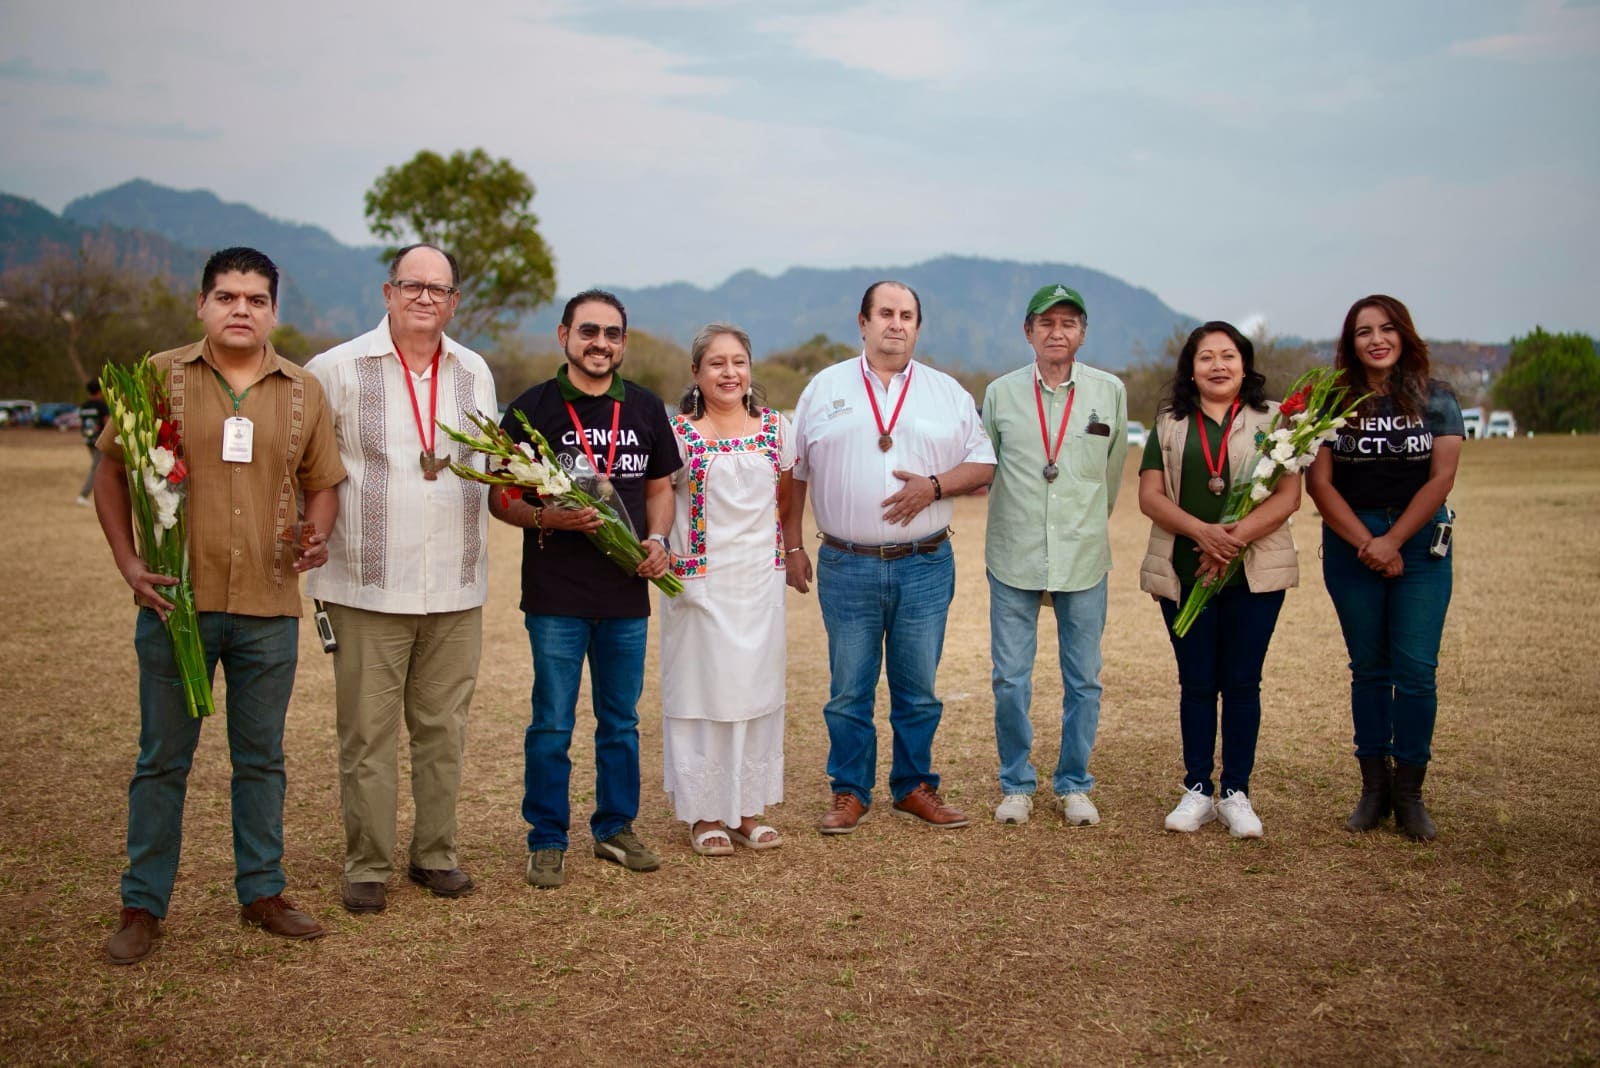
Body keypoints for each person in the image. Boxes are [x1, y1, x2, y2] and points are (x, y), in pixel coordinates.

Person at [93, 247, 345, 964]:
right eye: (228, 296)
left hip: (269, 606)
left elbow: (323, 480)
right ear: (202, 304)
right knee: (162, 761)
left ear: (274, 310)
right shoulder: (157, 378)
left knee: (261, 759)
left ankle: (262, 891)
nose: (242, 309)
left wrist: (316, 534)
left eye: (256, 299)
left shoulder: (303, 391)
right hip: (178, 606)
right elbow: (112, 471)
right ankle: (142, 904)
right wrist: (129, 561)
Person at [304, 244, 498, 914]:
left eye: (438, 289)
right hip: (365, 582)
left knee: (444, 728)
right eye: (412, 285)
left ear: (453, 301)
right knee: (366, 732)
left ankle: (436, 853)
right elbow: (306, 469)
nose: (425, 298)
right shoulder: (334, 369)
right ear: (388, 292)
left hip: (455, 582)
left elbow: (491, 467)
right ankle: (367, 863)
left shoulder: (476, 372)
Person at [788, 280, 995, 835]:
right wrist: (790, 544)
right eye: (885, 313)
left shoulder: (945, 392)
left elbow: (983, 465)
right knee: (849, 688)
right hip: (846, 561)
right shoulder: (823, 388)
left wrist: (933, 485)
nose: (895, 324)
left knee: (918, 687)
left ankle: (914, 787)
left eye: (906, 315)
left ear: (918, 327)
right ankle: (849, 792)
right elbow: (794, 472)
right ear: (862, 322)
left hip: (923, 562)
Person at [491, 289, 680, 888]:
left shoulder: (647, 408)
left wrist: (657, 541)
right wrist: (550, 519)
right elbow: (500, 496)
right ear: (564, 336)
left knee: (620, 720)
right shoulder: (529, 410)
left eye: (613, 333)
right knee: (551, 722)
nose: (601, 343)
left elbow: (659, 489)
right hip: (555, 595)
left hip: (626, 594)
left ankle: (614, 829)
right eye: (589, 331)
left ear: (624, 341)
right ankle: (547, 837)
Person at [1307, 295, 1462, 841]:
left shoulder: (1437, 398)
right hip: (1352, 540)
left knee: (1417, 672)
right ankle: (1374, 789)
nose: (1376, 339)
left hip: (1419, 544)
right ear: (1350, 343)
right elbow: (1319, 484)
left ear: (1404, 334)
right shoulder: (1332, 401)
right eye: (1363, 331)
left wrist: (1394, 540)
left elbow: (1441, 479)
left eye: (1387, 328)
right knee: (1369, 671)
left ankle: (1410, 793)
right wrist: (1368, 542)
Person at [1137, 321, 1301, 839]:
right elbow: (1150, 496)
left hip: (1253, 575)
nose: (1218, 365)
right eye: (1205, 357)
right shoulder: (1168, 421)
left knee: (1242, 683)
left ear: (1245, 364)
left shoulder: (1276, 419)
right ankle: (1196, 790)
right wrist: (1204, 535)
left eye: (1228, 355)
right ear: (1191, 367)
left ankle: (1235, 792)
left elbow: (1288, 496)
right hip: (1184, 572)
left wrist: (1232, 542)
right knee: (1197, 683)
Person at [982, 284, 1128, 827]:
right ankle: (1016, 783)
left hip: (1083, 552)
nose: (1057, 332)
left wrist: (1084, 523)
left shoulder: (1109, 391)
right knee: (1010, 679)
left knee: (1084, 678)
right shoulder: (1000, 393)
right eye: (1045, 323)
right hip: (1013, 551)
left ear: (1082, 333)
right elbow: (987, 465)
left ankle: (1073, 783)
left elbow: (1110, 476)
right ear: (1028, 331)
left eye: (1068, 323)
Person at [659, 323, 800, 856]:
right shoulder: (676, 435)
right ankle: (704, 815)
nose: (729, 372)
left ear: (750, 369)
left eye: (738, 361)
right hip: (698, 584)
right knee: (702, 693)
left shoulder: (776, 430)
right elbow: (661, 501)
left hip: (757, 584)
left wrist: (789, 554)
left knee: (753, 691)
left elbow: (784, 502)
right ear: (696, 373)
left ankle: (747, 810)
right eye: (716, 363)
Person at [76, 378, 110, 504]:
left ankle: (104, 495)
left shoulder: (84, 406)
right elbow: (107, 424)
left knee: (100, 467)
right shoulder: (101, 406)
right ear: (99, 391)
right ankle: (84, 495)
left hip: (88, 440)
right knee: (97, 468)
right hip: (100, 442)